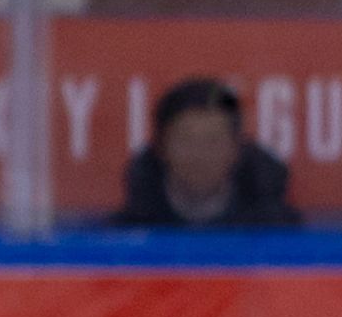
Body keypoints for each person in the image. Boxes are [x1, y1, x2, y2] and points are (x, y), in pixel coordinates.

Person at [110, 75, 299, 229]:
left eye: (213, 141)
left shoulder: (278, 230)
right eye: (186, 140)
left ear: (236, 149)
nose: (199, 154)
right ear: (161, 148)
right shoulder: (128, 232)